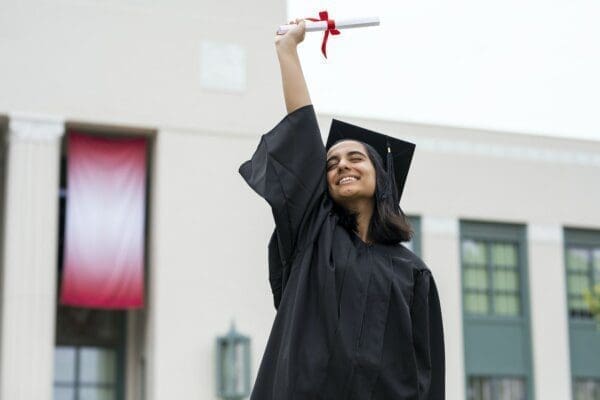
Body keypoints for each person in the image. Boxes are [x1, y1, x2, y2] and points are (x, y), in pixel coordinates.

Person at [239, 18, 445, 400]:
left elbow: (426, 373)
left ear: (380, 176)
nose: (341, 166)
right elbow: (302, 133)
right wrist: (288, 52)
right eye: (331, 163)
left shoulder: (414, 274)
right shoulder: (315, 235)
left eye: (355, 158)